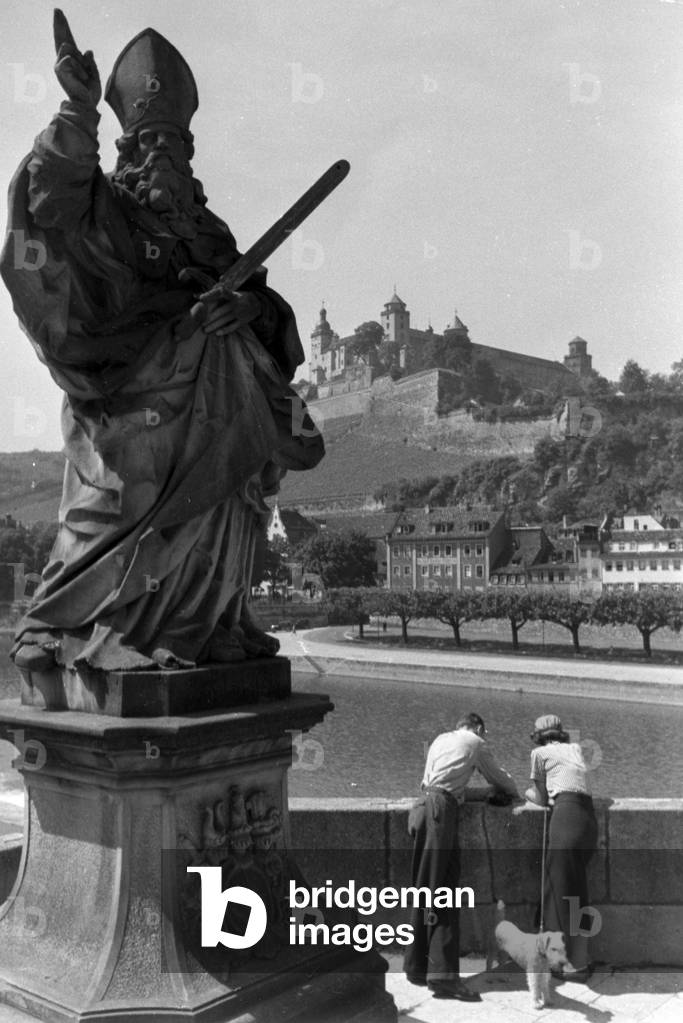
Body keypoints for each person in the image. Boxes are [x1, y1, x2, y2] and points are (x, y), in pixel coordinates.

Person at [1, 16, 324, 673]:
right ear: (122, 147)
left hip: (219, 402)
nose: (160, 153)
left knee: (226, 501)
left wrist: (246, 307)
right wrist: (77, 111)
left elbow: (268, 308)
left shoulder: (208, 230)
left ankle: (205, 623)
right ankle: (64, 618)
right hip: (126, 388)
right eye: (146, 139)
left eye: (172, 141)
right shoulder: (110, 207)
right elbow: (53, 205)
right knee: (116, 505)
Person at [404, 711, 519, 1001]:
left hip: (421, 808)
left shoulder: (442, 740)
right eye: (483, 733)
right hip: (440, 813)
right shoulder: (475, 742)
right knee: (444, 895)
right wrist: (500, 791)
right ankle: (443, 979)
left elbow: (450, 786)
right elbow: (506, 783)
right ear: (478, 727)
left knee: (425, 891)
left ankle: (416, 966)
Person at [524, 714, 598, 980]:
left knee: (557, 893)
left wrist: (526, 794)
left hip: (565, 818)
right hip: (588, 821)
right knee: (578, 893)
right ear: (561, 733)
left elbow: (541, 798)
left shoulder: (539, 753)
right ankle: (580, 962)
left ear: (539, 736)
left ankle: (560, 964)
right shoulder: (577, 749)